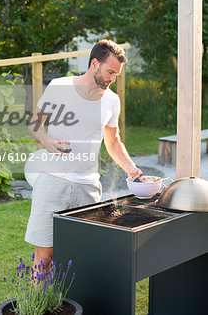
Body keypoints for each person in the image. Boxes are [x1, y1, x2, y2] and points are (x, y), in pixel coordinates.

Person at [25, 39, 143, 270]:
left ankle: (76, 306)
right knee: (45, 255)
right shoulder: (60, 87)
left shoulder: (111, 100)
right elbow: (34, 124)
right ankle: (39, 306)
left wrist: (131, 169)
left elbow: (113, 141)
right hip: (52, 181)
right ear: (94, 64)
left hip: (88, 188)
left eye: (116, 74)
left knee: (83, 258)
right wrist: (47, 141)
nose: (112, 79)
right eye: (110, 71)